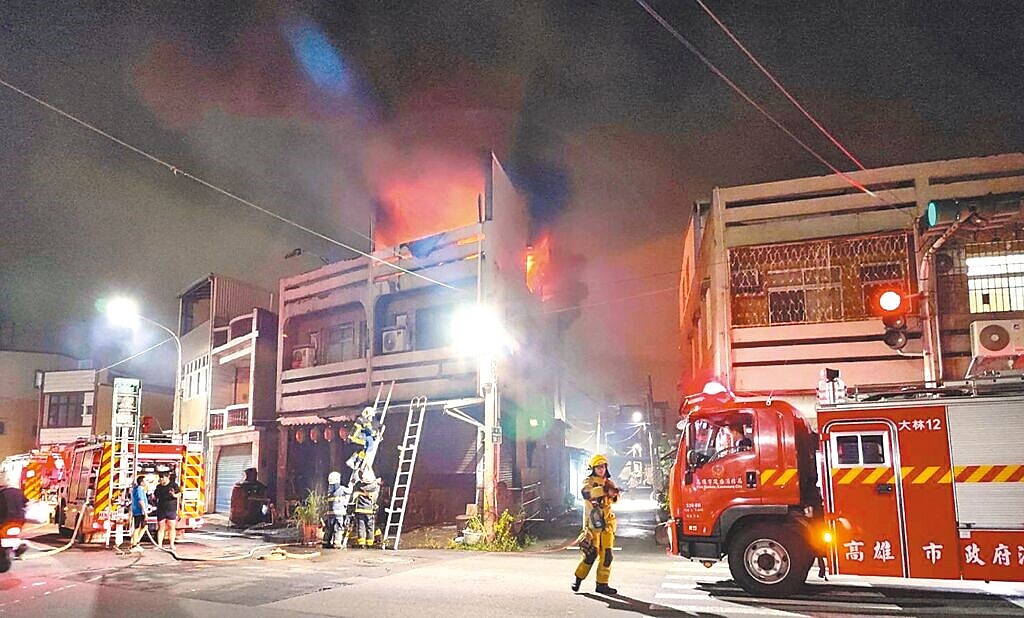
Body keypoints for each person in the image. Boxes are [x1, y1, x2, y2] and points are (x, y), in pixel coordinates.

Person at [572, 454, 619, 596]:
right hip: (593, 525)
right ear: (593, 468)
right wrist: (604, 490)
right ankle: (578, 579)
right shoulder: (589, 481)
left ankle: (602, 584)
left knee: (607, 556)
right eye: (598, 467)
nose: (601, 469)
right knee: (590, 554)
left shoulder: (608, 482)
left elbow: (614, 499)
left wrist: (613, 493)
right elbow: (586, 494)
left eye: (603, 467)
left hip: (607, 526)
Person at [0, 472, 28, 559]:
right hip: (19, 520)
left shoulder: (2, 493)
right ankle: (18, 550)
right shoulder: (20, 492)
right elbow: (25, 503)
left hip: (5, 519)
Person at [352, 469, 380, 548]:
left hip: (359, 510)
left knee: (361, 527)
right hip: (369, 511)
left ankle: (361, 544)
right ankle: (370, 543)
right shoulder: (375, 487)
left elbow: (355, 484)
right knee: (370, 527)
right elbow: (375, 499)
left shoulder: (358, 486)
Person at [323, 471, 350, 549]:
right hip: (339, 513)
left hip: (330, 513)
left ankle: (325, 542)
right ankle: (337, 543)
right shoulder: (341, 489)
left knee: (329, 528)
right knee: (338, 528)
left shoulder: (329, 491)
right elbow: (349, 491)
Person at [153, 472, 180, 551]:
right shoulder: (158, 487)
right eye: (160, 478)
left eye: (163, 477)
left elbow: (179, 494)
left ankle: (171, 544)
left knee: (171, 527)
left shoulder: (173, 485)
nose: (161, 479)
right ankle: (159, 545)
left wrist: (174, 495)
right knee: (161, 527)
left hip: (171, 509)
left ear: (167, 477)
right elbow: (155, 496)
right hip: (161, 509)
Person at [128, 474, 150, 552]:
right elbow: (141, 501)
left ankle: (135, 542)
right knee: (138, 527)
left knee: (144, 527)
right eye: (145, 481)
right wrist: (145, 512)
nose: (147, 482)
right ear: (142, 482)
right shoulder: (139, 489)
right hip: (140, 512)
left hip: (138, 511)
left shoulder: (137, 489)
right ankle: (134, 544)